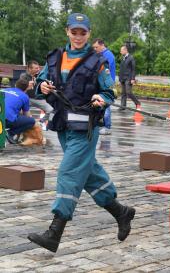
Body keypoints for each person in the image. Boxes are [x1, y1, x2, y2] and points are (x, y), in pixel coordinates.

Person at [27, 13, 135, 253]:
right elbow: (40, 84)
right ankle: (122, 212)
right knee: (86, 172)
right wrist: (42, 86)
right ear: (67, 31)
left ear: (88, 33)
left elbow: (109, 92)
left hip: (85, 128)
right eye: (74, 31)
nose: (78, 36)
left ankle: (54, 233)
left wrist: (101, 98)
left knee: (69, 171)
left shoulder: (97, 61)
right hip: (63, 126)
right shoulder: (55, 57)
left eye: (82, 32)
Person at [20, 60, 53, 126]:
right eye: (36, 68)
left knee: (50, 110)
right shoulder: (24, 76)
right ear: (29, 69)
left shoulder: (41, 76)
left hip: (39, 99)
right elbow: (22, 85)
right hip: (28, 99)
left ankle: (41, 122)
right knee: (19, 110)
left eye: (38, 68)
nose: (39, 69)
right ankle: (23, 126)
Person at [93, 38, 115, 135]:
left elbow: (106, 72)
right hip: (102, 84)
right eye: (94, 47)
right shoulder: (102, 54)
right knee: (101, 104)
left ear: (102, 45)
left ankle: (107, 127)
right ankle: (102, 125)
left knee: (106, 105)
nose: (95, 49)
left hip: (107, 84)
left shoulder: (108, 55)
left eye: (96, 47)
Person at [3, 78, 35, 144]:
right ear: (26, 88)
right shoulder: (25, 96)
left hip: (1, 116)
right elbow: (27, 114)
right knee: (31, 121)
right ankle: (10, 133)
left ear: (15, 85)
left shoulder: (3, 90)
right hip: (6, 120)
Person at [119, 45, 140, 110]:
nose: (120, 52)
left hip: (128, 78)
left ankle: (138, 103)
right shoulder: (123, 58)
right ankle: (123, 106)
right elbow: (122, 69)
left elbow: (133, 69)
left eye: (121, 50)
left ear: (125, 50)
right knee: (123, 93)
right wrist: (120, 79)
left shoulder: (131, 58)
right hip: (123, 78)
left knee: (129, 92)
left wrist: (133, 79)